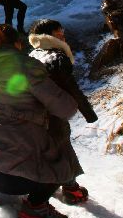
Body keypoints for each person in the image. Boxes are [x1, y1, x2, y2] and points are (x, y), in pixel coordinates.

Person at [0, 25, 80, 218]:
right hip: (15, 181)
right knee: (60, 152)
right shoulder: (26, 66)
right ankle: (36, 206)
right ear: (15, 44)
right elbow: (65, 109)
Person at [28, 19, 98, 204]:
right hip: (54, 112)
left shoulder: (32, 55)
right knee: (62, 149)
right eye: (59, 34)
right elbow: (71, 87)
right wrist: (88, 113)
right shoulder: (57, 56)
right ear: (48, 36)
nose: (63, 36)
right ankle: (70, 188)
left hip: (33, 111)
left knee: (45, 148)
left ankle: (47, 183)